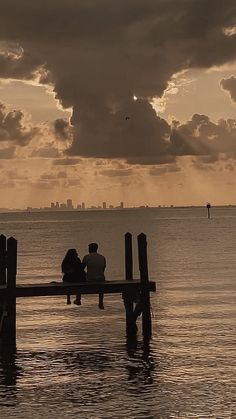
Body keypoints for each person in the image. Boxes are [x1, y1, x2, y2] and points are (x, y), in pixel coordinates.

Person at [82, 243, 106, 309]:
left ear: (90, 249)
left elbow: (81, 269)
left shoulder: (86, 257)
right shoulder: (102, 257)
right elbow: (103, 269)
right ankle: (101, 301)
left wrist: (85, 274)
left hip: (90, 279)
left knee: (80, 278)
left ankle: (78, 298)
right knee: (101, 284)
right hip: (101, 278)